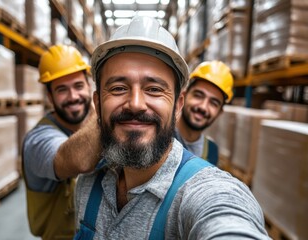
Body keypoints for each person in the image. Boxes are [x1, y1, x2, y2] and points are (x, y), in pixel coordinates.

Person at [74, 16, 270, 239]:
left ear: (178, 106)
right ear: (98, 104)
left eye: (154, 89)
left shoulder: (204, 192)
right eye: (118, 88)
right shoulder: (87, 185)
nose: (136, 104)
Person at [22, 44, 101, 240]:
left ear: (89, 87)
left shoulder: (93, 128)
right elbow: (79, 159)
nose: (73, 97)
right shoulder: (38, 140)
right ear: (49, 96)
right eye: (62, 90)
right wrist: (104, 109)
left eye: (78, 86)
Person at [175, 61, 234, 165]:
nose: (203, 107)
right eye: (198, 95)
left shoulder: (212, 152)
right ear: (183, 97)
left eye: (214, 103)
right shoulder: (160, 136)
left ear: (220, 112)